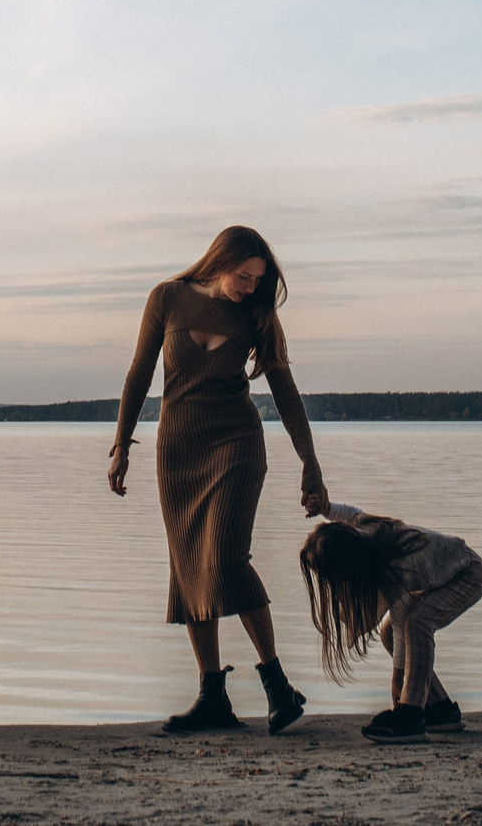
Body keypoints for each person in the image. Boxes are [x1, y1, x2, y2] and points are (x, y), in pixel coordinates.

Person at [107, 226, 326, 735]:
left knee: (226, 560)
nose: (250, 287)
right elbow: (140, 372)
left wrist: (309, 462)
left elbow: (286, 392)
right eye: (244, 276)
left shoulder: (257, 316)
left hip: (236, 445)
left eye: (258, 280)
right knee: (187, 567)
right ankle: (212, 697)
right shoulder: (168, 297)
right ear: (218, 261)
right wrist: (121, 445)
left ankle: (276, 684)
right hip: (178, 448)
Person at [299, 494, 482, 744]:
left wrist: (398, 678)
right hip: (446, 573)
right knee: (389, 632)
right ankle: (441, 709)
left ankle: (411, 714)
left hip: (467, 573)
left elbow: (403, 620)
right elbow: (351, 514)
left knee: (418, 624)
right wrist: (327, 509)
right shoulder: (366, 535)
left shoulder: (403, 565)